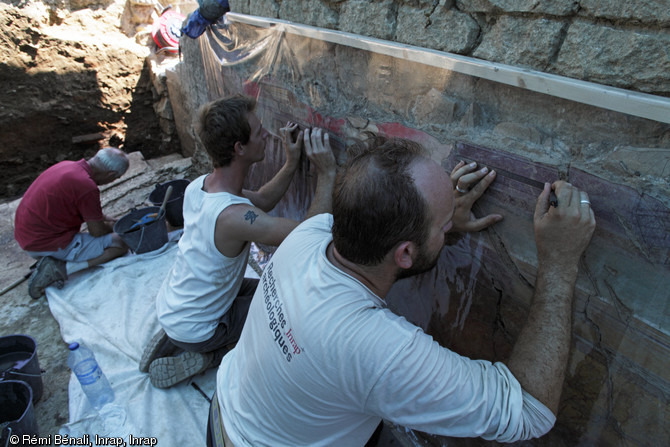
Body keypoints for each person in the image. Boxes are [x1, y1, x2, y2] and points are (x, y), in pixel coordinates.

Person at [208, 136, 596, 446]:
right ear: (406, 252)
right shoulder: (377, 348)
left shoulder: (311, 234)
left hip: (225, 408)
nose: (450, 229)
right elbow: (530, 411)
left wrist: (441, 221)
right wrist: (560, 263)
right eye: (444, 228)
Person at [141, 95, 337, 388]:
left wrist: (291, 162)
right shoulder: (232, 218)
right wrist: (328, 173)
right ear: (239, 148)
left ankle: (178, 338)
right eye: (259, 132)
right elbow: (311, 234)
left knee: (274, 290)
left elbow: (261, 200)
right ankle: (211, 353)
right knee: (286, 312)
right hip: (200, 327)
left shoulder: (202, 186)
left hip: (177, 306)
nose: (267, 135)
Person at [14, 147, 130, 300]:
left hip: (27, 235)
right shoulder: (87, 187)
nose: (113, 181)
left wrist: (106, 217)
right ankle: (61, 268)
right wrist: (120, 227)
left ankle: (54, 259)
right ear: (111, 174)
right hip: (43, 243)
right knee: (120, 243)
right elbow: (97, 232)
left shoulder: (69, 166)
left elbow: (81, 205)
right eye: (115, 179)